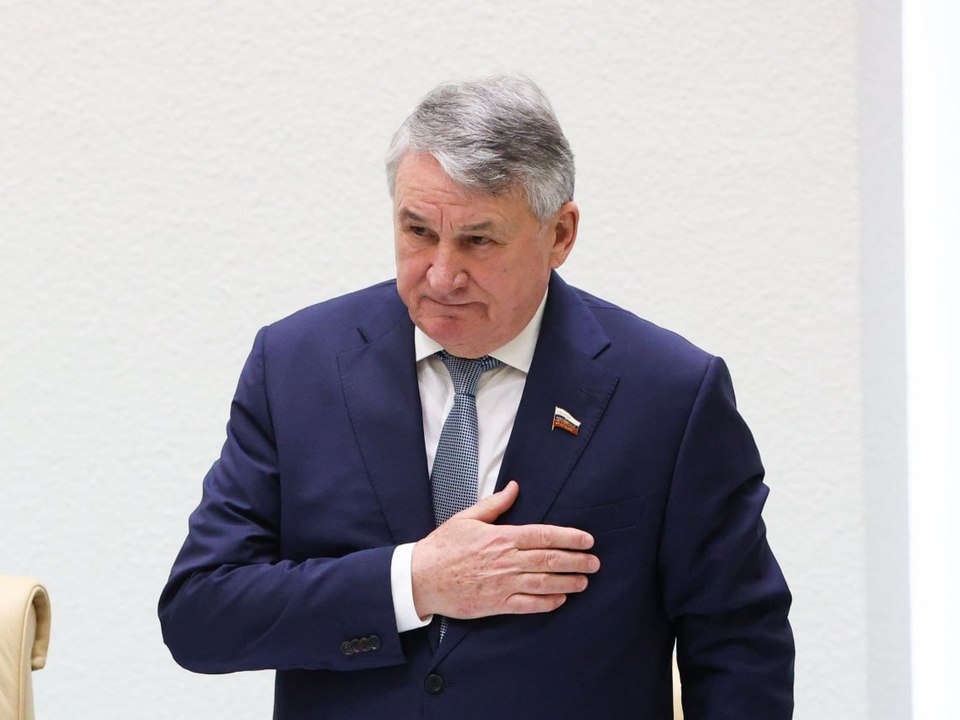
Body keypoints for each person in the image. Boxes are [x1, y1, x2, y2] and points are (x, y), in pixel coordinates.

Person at [159, 75, 794, 719]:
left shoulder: (669, 393)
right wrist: (413, 582)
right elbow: (200, 613)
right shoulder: (296, 364)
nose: (441, 275)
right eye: (417, 231)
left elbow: (741, 648)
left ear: (560, 234)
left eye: (478, 240)